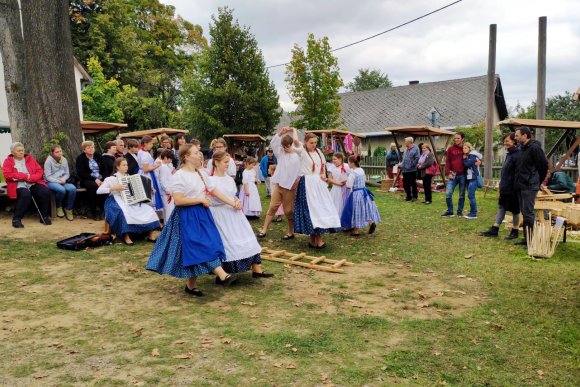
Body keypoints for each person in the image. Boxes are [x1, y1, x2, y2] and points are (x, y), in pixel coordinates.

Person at [146, 144, 240, 296]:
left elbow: (214, 191)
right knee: (199, 245)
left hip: (202, 214)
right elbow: (178, 200)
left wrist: (232, 202)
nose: (200, 155)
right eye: (196, 153)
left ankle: (190, 286)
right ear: (186, 157)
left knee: (207, 243)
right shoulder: (179, 176)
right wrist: (200, 200)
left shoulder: (201, 173)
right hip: (187, 216)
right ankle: (223, 275)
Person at [209, 151, 273, 279]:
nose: (228, 165)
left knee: (246, 235)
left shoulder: (228, 179)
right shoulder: (210, 180)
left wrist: (237, 201)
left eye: (229, 162)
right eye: (225, 162)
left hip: (234, 212)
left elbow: (232, 194)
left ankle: (256, 269)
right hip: (221, 213)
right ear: (216, 162)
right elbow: (217, 196)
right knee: (228, 239)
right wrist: (232, 203)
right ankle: (225, 272)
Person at [292, 129, 341, 249]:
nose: (314, 145)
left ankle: (317, 238)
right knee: (310, 210)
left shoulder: (318, 151)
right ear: (306, 142)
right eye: (311, 143)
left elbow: (322, 166)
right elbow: (295, 140)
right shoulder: (302, 151)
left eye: (315, 142)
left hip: (318, 184)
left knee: (321, 209)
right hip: (307, 184)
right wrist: (293, 129)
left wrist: (324, 175)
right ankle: (313, 239)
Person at [97, 158, 160, 245]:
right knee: (123, 212)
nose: (126, 167)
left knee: (148, 209)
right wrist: (113, 188)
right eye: (124, 165)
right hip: (116, 199)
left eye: (126, 165)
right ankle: (126, 236)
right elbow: (99, 191)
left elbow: (138, 191)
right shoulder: (111, 179)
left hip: (131, 199)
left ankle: (151, 235)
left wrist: (150, 190)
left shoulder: (131, 177)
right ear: (117, 167)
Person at [257, 127, 301, 239]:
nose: (285, 149)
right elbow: (273, 143)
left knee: (288, 210)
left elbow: (299, 172)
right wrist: (280, 133)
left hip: (289, 188)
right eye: (284, 146)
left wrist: (297, 181)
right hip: (279, 185)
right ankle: (264, 229)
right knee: (272, 207)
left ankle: (291, 231)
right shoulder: (281, 153)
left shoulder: (296, 156)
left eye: (287, 146)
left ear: (291, 145)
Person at [480, 132, 521, 239]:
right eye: (504, 141)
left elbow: (518, 173)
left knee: (515, 210)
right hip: (505, 187)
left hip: (513, 189)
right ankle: (495, 229)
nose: (505, 143)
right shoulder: (510, 154)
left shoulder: (518, 154)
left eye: (507, 141)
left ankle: (515, 231)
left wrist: (514, 186)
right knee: (501, 207)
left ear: (514, 141)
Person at [2, 142, 52, 228]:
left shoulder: (29, 159)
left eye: (22, 150)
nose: (21, 152)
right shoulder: (8, 161)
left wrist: (31, 178)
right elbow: (8, 174)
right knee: (26, 195)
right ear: (13, 152)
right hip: (18, 183)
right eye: (18, 151)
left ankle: (44, 216)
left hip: (32, 181)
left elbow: (39, 171)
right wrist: (24, 176)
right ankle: (16, 219)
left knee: (45, 192)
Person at [513, 126, 548, 246]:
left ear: (525, 135)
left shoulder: (535, 148)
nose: (515, 137)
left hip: (529, 185)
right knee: (524, 212)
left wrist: (538, 182)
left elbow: (543, 166)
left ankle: (530, 240)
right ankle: (526, 238)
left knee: (528, 213)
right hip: (521, 185)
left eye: (517, 135)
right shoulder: (522, 148)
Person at [340, 156, 381, 236]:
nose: (348, 164)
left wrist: (346, 181)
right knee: (364, 209)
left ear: (352, 163)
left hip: (356, 193)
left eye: (348, 162)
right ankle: (371, 222)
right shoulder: (361, 170)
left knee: (356, 210)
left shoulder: (353, 173)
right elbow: (364, 179)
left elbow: (349, 185)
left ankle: (356, 231)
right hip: (364, 192)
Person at [44, 144, 77, 220]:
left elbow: (67, 173)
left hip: (62, 181)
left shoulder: (64, 159)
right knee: (61, 190)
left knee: (72, 188)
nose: (59, 153)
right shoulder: (48, 161)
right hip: (50, 182)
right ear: (52, 153)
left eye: (60, 151)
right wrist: (58, 181)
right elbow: (48, 176)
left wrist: (64, 179)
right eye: (57, 152)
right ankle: (59, 206)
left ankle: (69, 209)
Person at [76, 140, 106, 220]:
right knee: (93, 187)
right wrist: (95, 179)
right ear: (84, 150)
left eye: (92, 147)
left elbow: (105, 169)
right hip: (87, 179)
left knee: (105, 186)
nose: (91, 149)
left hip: (100, 178)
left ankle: (103, 210)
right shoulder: (80, 158)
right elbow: (81, 173)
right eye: (88, 148)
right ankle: (94, 211)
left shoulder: (98, 156)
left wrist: (103, 179)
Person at [442, 132, 467, 217]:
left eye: (458, 138)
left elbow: (474, 156)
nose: (456, 140)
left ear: (462, 139)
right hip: (452, 173)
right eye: (455, 138)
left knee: (461, 195)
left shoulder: (465, 148)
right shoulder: (450, 149)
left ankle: (459, 212)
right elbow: (447, 161)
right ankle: (450, 211)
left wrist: (479, 161)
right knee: (448, 193)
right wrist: (448, 172)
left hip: (463, 174)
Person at [137, 135, 163, 211]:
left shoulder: (141, 151)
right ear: (145, 143)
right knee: (150, 197)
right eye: (151, 143)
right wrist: (156, 166)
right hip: (147, 176)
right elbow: (145, 169)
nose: (152, 145)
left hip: (143, 175)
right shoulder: (144, 154)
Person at [327, 152, 351, 217]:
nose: (333, 161)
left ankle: (345, 219)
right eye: (333, 159)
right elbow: (330, 178)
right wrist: (338, 183)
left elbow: (351, 176)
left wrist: (345, 181)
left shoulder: (346, 166)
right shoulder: (331, 167)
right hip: (336, 189)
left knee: (345, 204)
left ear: (340, 159)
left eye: (335, 159)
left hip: (346, 189)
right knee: (336, 204)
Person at [462, 143, 482, 219]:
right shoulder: (469, 156)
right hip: (469, 178)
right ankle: (472, 212)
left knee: (471, 195)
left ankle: (473, 213)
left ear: (469, 148)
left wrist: (464, 159)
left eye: (466, 148)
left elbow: (467, 164)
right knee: (470, 195)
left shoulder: (472, 156)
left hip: (474, 178)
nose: (464, 149)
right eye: (463, 148)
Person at [156, 149, 176, 223]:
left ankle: (167, 225)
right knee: (169, 210)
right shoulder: (163, 167)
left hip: (167, 191)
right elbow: (163, 180)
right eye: (170, 158)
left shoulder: (164, 166)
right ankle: (168, 225)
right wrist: (167, 190)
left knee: (167, 210)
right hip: (167, 192)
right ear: (165, 158)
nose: (171, 160)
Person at [401, 137, 419, 202]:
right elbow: (404, 159)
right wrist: (402, 166)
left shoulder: (416, 149)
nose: (405, 142)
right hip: (405, 170)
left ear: (409, 142)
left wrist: (411, 165)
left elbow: (417, 158)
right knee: (405, 184)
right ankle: (408, 196)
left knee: (413, 183)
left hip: (412, 170)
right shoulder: (405, 149)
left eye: (405, 141)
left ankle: (415, 197)